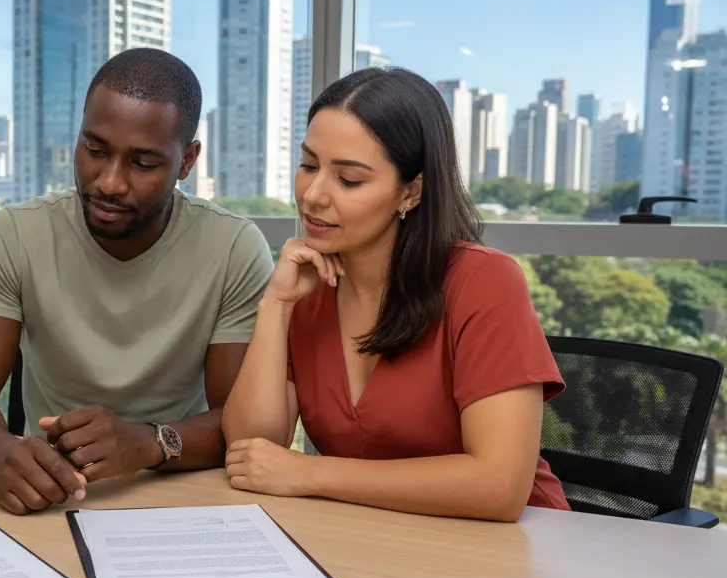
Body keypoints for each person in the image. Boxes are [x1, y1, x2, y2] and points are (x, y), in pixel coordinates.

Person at [0, 49, 274, 515]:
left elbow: (243, 428)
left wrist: (147, 443)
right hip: (47, 493)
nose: (109, 182)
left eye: (143, 163)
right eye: (94, 150)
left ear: (187, 160)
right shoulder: (17, 233)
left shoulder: (234, 248)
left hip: (183, 498)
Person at [221, 67, 569, 522]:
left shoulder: (485, 282)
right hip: (377, 542)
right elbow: (252, 453)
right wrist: (276, 306)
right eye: (308, 166)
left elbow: (499, 488)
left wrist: (311, 474)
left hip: (510, 551)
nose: (312, 196)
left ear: (411, 191)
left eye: (348, 180)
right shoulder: (307, 286)